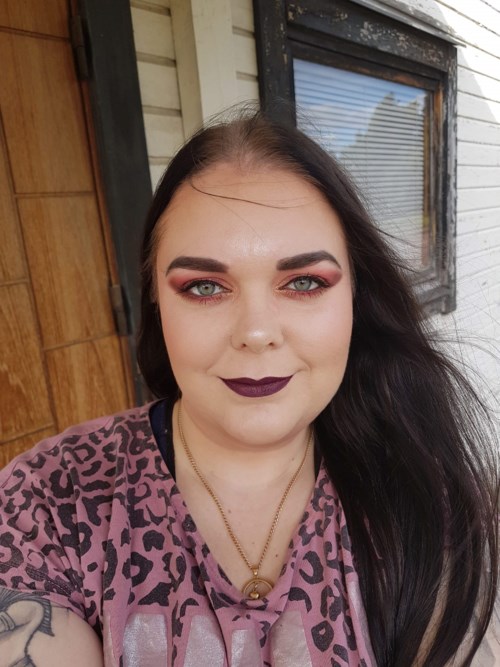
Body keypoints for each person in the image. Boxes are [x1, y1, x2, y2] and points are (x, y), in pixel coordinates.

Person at [0, 109, 497, 667]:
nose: (256, 333)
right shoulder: (49, 501)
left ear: (356, 296)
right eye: (205, 287)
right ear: (155, 300)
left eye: (303, 282)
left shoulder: (423, 491)